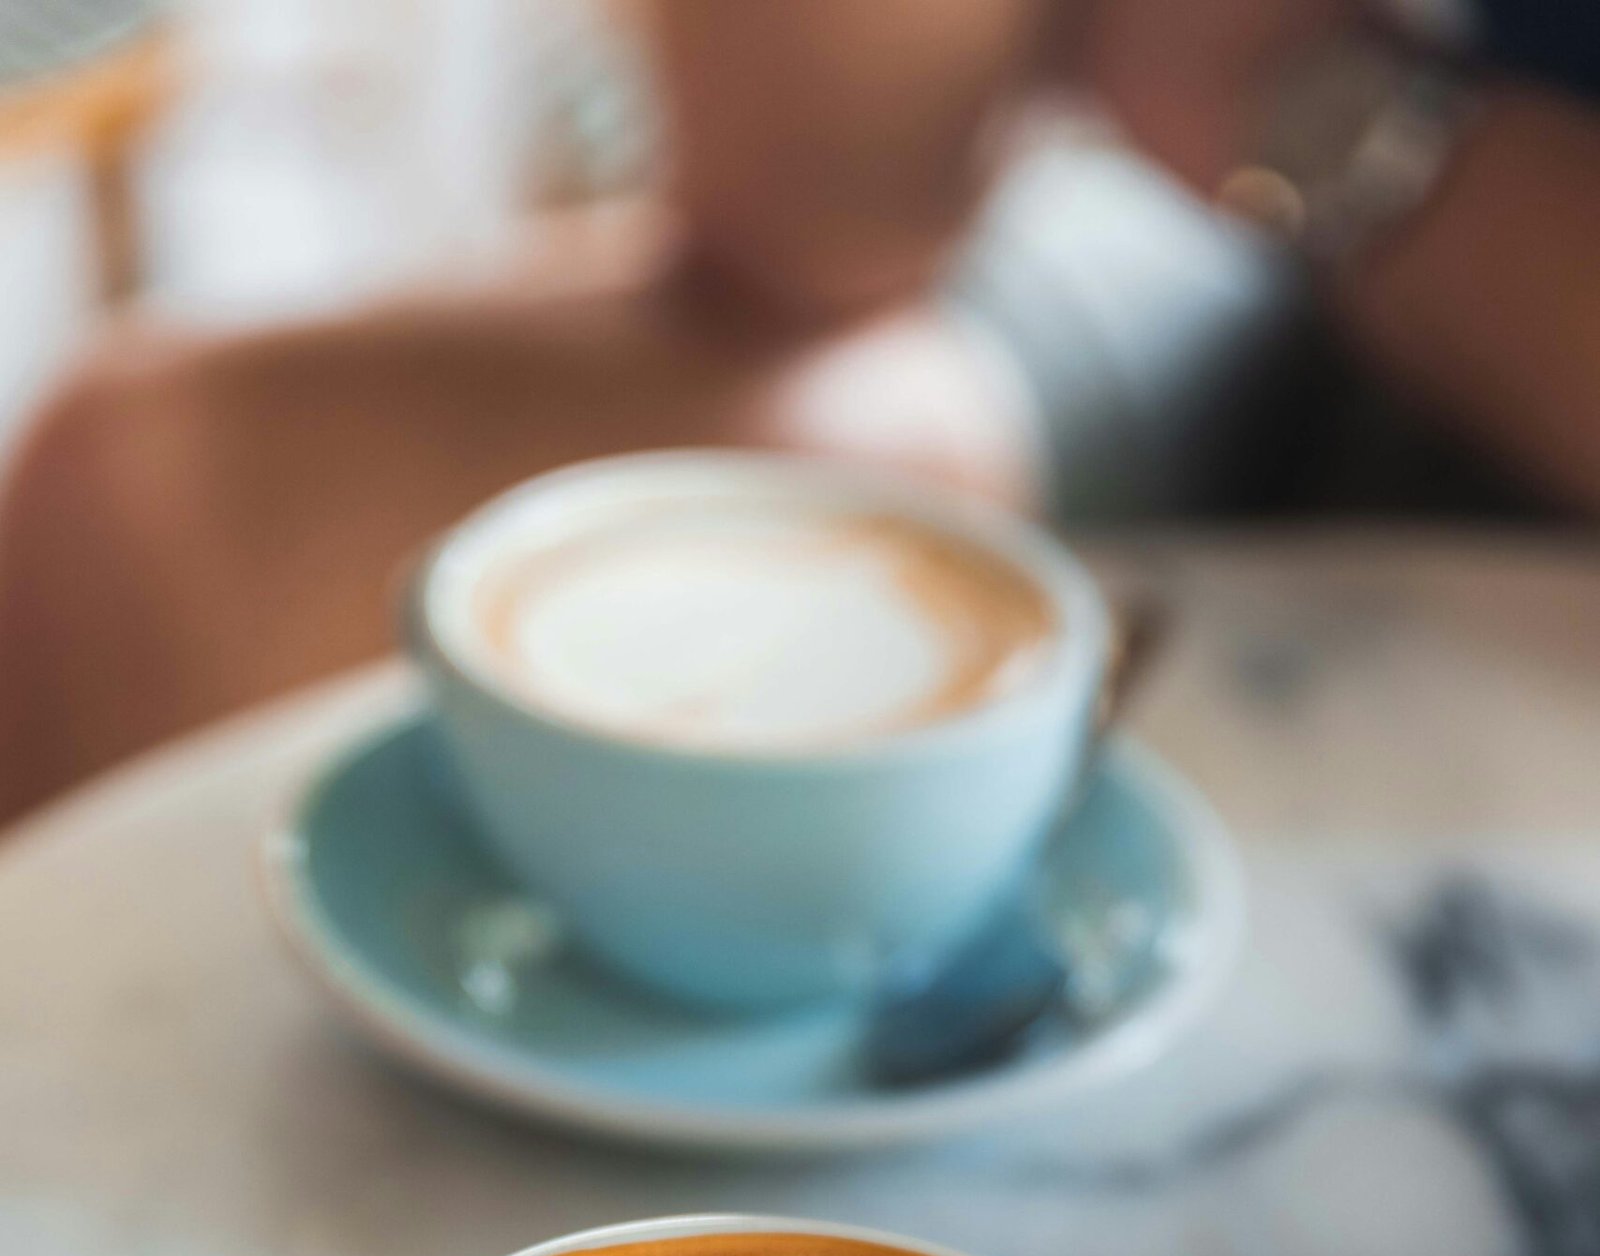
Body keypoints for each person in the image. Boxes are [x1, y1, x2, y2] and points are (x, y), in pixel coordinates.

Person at [1, 0, 1596, 819]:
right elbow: (818, 213)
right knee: (159, 512)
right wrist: (1292, 107)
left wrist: (1331, 115)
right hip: (1319, 257)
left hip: (1461, 219)